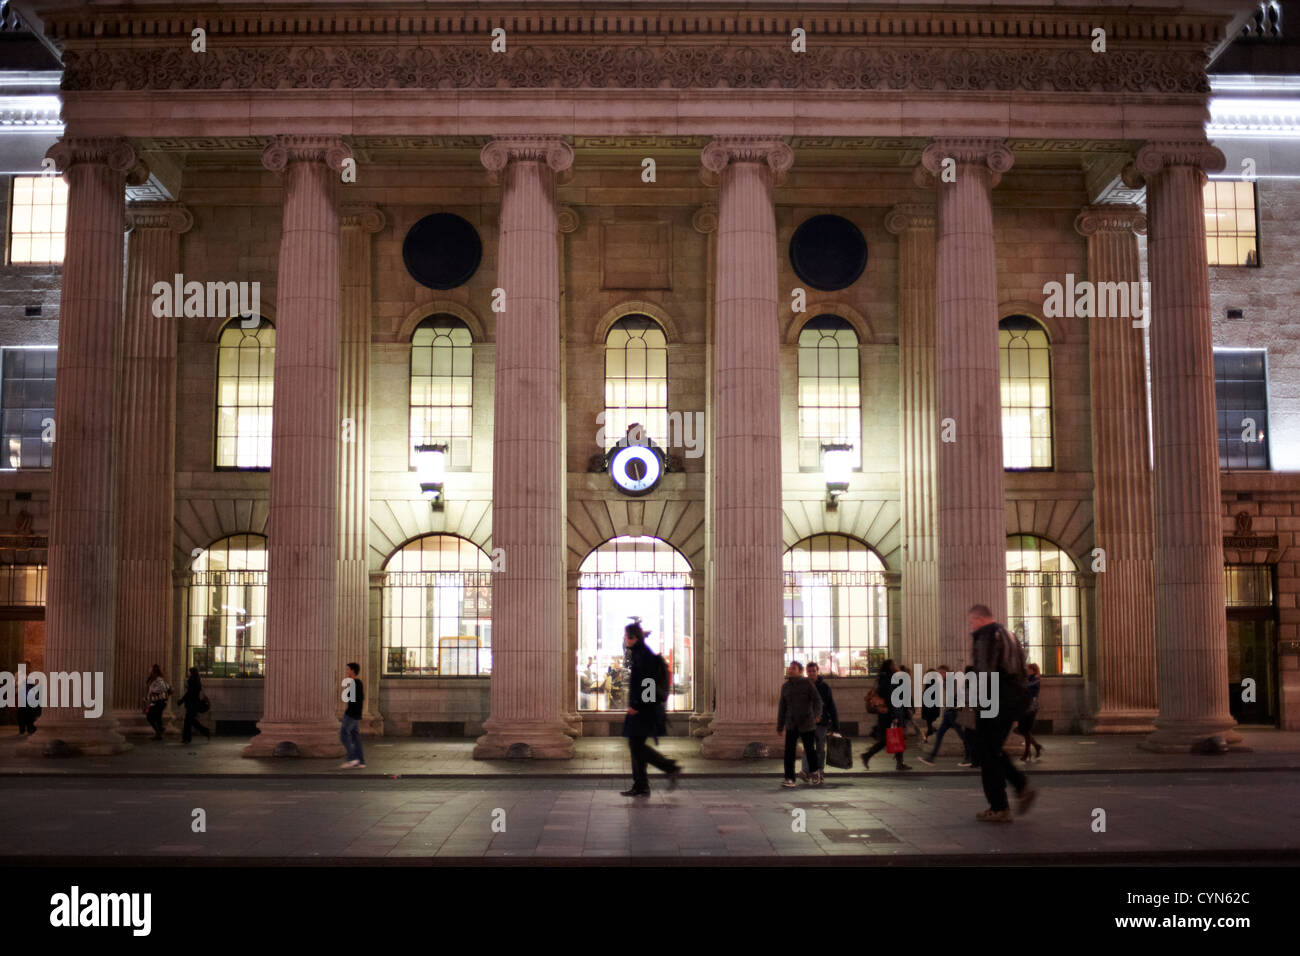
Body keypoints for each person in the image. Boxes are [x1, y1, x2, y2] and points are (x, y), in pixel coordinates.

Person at [968, 604, 1037, 822]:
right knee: (993, 749)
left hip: (994, 699)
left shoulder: (986, 636)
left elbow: (985, 672)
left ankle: (1000, 806)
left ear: (979, 618)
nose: (971, 626)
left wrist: (977, 700)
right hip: (1013, 700)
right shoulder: (1010, 635)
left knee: (986, 753)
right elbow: (1022, 669)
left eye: (971, 621)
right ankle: (1018, 788)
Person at [620, 620, 681, 796]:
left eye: (626, 636)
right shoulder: (639, 654)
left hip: (643, 711)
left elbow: (648, 685)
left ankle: (668, 768)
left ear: (633, 638)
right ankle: (641, 785)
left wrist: (636, 706)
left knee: (636, 746)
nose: (624, 639)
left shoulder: (643, 656)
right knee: (636, 746)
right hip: (643, 709)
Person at [778, 660, 822, 788]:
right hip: (791, 723)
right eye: (789, 668)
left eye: (793, 668)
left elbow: (817, 700)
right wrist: (780, 726)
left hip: (806, 722)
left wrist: (817, 715)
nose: (790, 670)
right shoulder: (785, 687)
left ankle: (814, 773)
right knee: (789, 752)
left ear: (800, 671)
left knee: (810, 749)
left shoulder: (807, 684)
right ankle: (789, 778)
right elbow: (782, 707)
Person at [860, 659, 910, 771]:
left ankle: (899, 763)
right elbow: (891, 698)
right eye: (894, 664)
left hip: (889, 713)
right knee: (891, 738)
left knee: (895, 738)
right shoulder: (888, 680)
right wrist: (895, 715)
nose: (896, 666)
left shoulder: (884, 679)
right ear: (890, 667)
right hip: (890, 714)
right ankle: (868, 755)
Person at [917, 665, 967, 766]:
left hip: (953, 712)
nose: (938, 675)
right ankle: (931, 758)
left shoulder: (951, 681)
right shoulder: (946, 681)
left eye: (940, 673)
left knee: (963, 736)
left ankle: (971, 755)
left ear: (944, 672)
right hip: (948, 712)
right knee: (940, 734)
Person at [800, 662, 838, 784]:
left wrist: (836, 726)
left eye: (813, 671)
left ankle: (819, 771)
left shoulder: (824, 687)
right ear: (807, 672)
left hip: (821, 723)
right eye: (809, 671)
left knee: (820, 748)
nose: (811, 673)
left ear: (817, 672)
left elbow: (831, 706)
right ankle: (806, 771)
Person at [339, 662, 366, 769]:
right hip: (355, 714)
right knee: (356, 737)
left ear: (353, 671)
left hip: (351, 715)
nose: (347, 671)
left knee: (343, 735)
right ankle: (361, 761)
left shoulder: (355, 683)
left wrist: (350, 713)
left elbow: (354, 701)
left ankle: (352, 759)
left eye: (348, 669)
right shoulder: (357, 683)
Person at [176, 667, 212, 744]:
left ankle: (204, 732)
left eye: (189, 672)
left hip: (191, 704)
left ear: (192, 673)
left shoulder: (192, 680)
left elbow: (189, 693)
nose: (188, 673)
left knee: (190, 721)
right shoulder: (197, 680)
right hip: (194, 704)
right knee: (189, 721)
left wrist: (181, 701)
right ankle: (187, 738)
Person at [1017, 662, 1044, 762]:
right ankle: (1036, 747)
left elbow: (1025, 686)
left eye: (1028, 669)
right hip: (1024, 706)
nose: (1027, 671)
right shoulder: (1028, 679)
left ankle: (1027, 752)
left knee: (1024, 730)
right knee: (1023, 730)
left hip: (1031, 707)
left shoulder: (1035, 679)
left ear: (1033, 670)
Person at [144, 664, 170, 740]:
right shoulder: (154, 679)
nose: (149, 670)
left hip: (158, 702)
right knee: (157, 718)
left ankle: (159, 731)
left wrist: (154, 692)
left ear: (153, 671)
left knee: (150, 716)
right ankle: (159, 733)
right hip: (157, 702)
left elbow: (164, 688)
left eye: (150, 669)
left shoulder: (159, 679)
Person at [15, 661, 38, 735]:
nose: (27, 668)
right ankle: (22, 729)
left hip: (30, 696)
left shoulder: (32, 675)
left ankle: (30, 728)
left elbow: (35, 685)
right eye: (26, 666)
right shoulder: (18, 674)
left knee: (30, 712)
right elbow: (15, 684)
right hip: (21, 695)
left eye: (28, 666)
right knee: (21, 712)